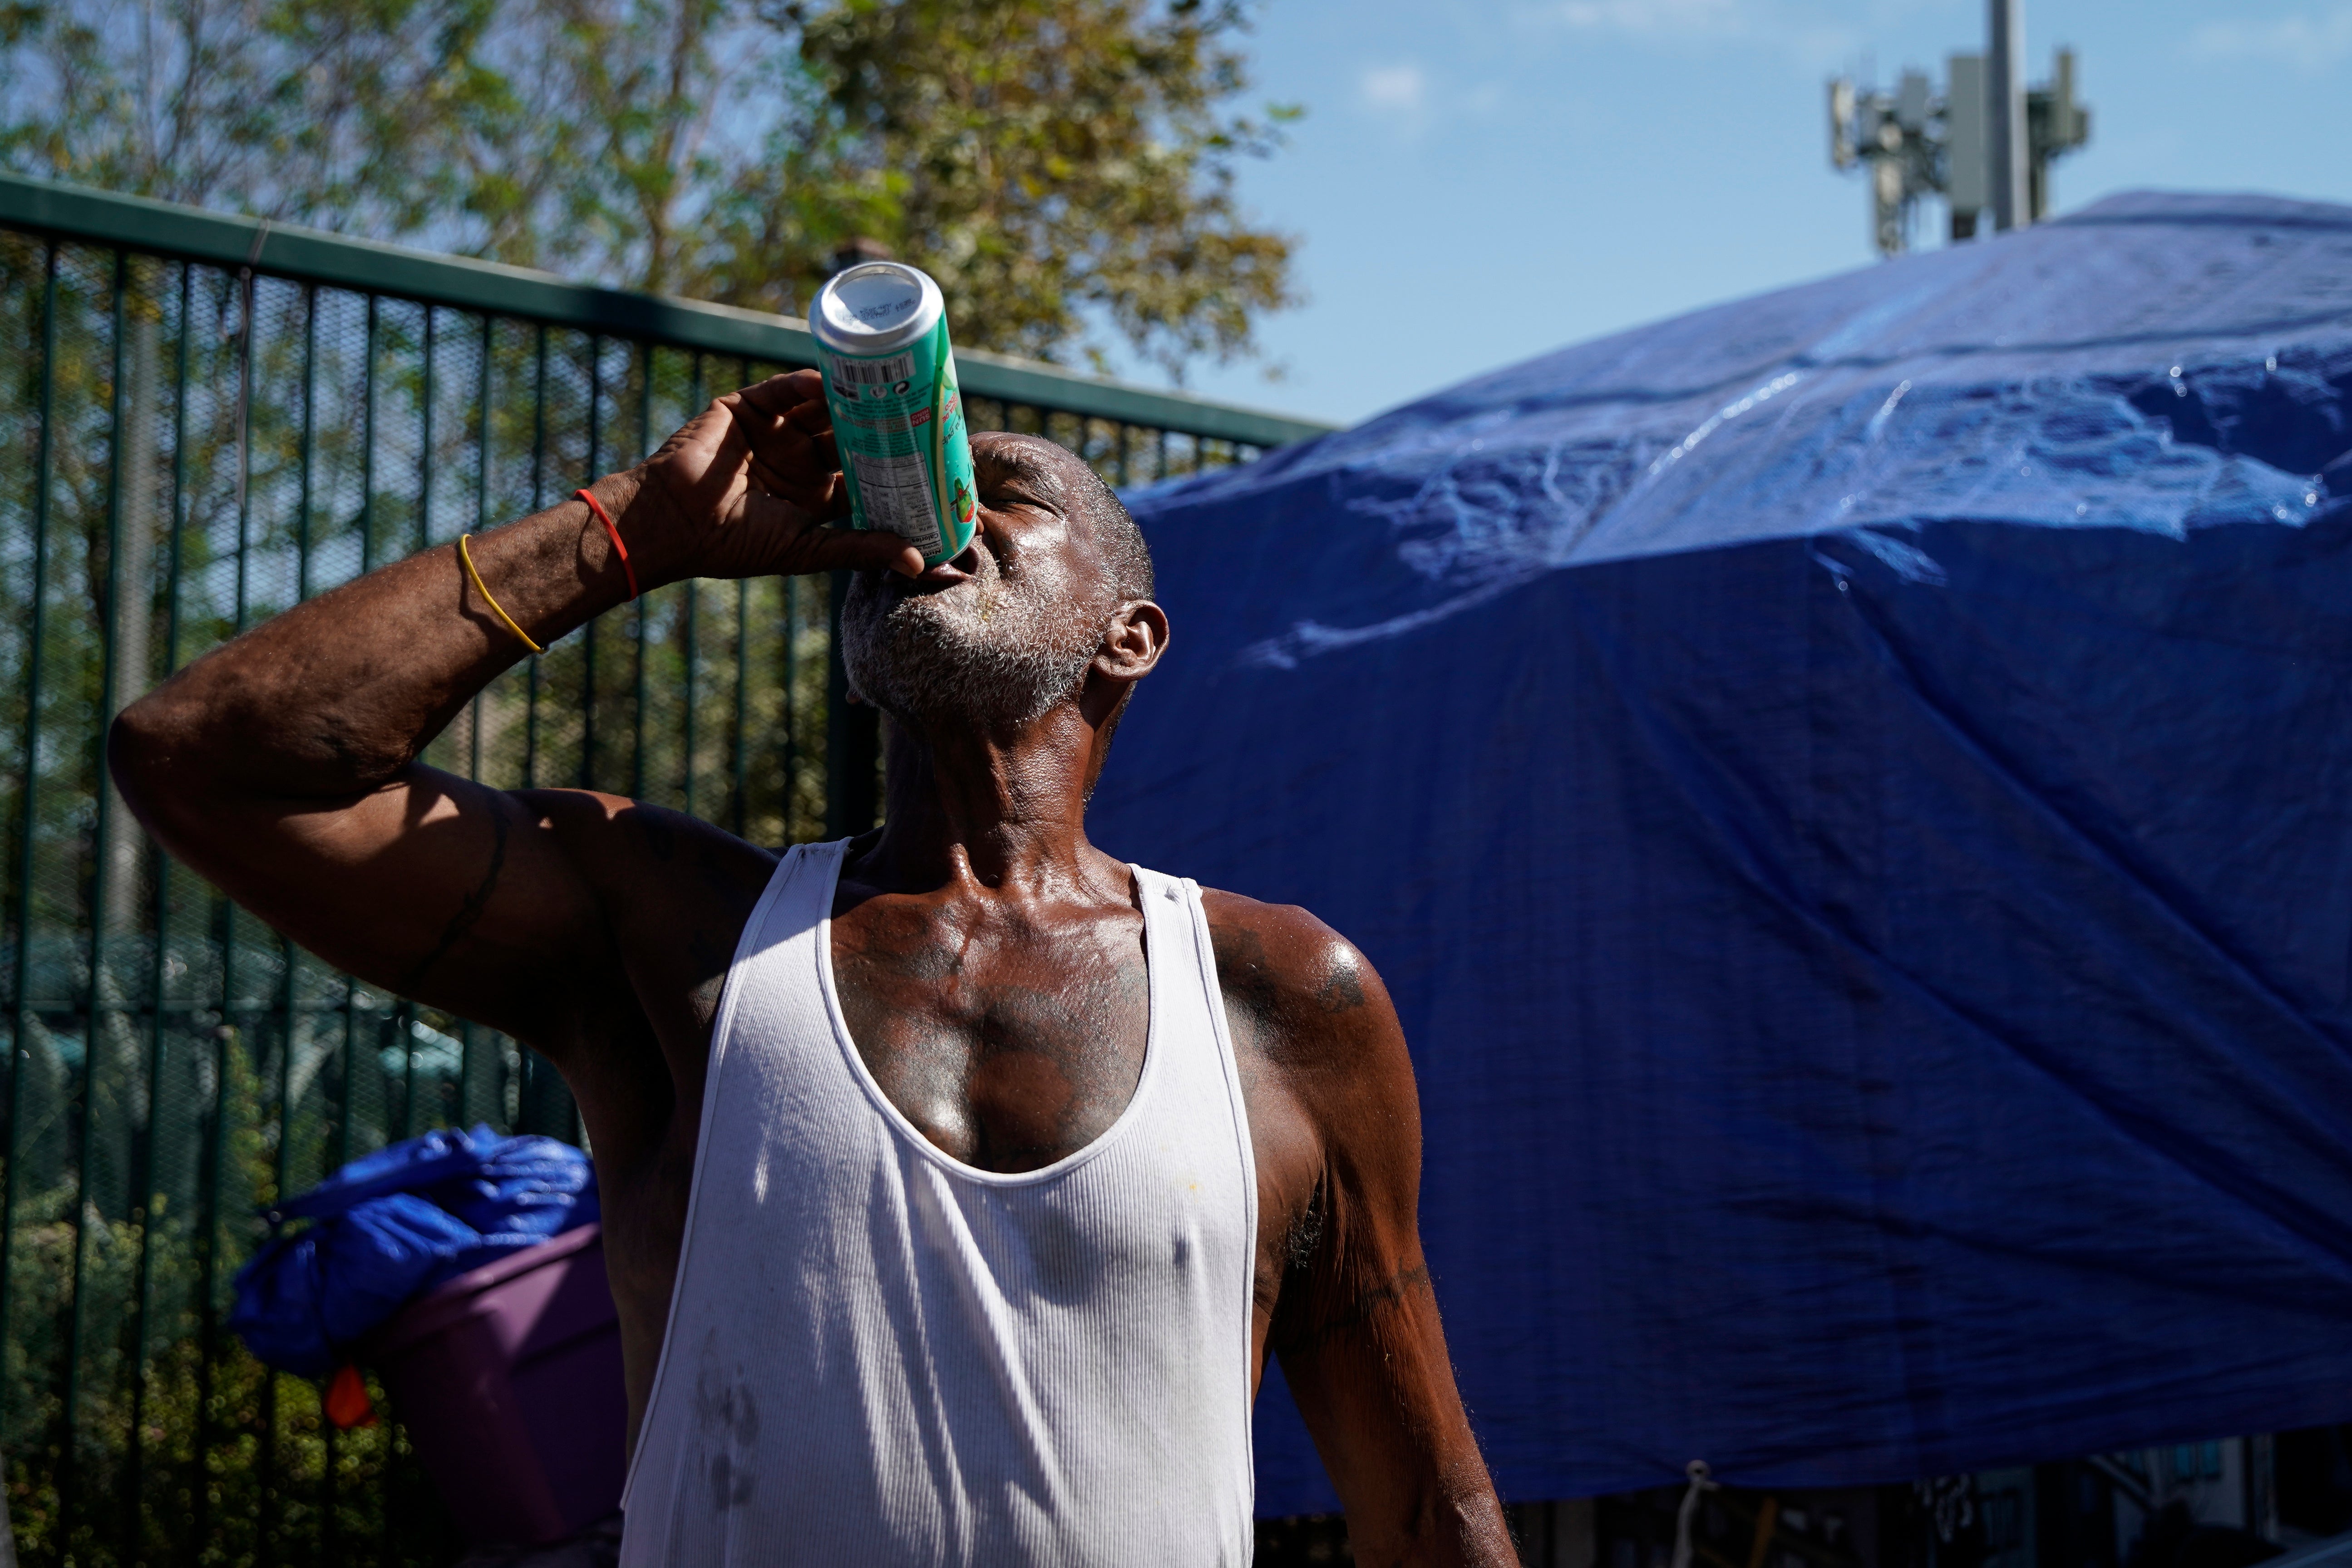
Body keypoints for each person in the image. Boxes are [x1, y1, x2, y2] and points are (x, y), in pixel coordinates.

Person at [111, 370, 1517, 1565]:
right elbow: (211, 762)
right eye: (913, 496)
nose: (938, 517)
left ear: (1127, 639)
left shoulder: (1279, 996)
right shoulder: (674, 935)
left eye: (1002, 494)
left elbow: (1429, 1506)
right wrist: (639, 531)